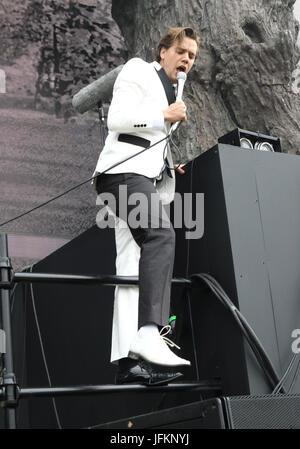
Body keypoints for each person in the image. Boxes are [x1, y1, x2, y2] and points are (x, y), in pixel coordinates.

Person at [94, 27, 199, 385]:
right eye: (182, 51)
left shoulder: (170, 91)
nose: (187, 59)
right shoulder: (138, 69)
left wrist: (169, 165)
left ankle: (128, 361)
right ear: (163, 51)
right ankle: (151, 331)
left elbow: (149, 144)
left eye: (193, 56)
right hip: (121, 176)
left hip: (138, 178)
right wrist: (163, 117)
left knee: (129, 265)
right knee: (160, 235)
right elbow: (117, 120)